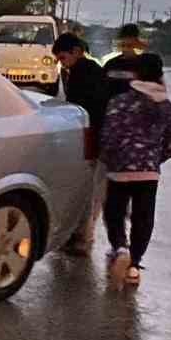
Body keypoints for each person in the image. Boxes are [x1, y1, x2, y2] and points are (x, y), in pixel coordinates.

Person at [98, 52, 171, 286]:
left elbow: (108, 134)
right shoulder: (166, 106)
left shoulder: (121, 101)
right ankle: (134, 265)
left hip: (119, 168)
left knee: (114, 211)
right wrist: (155, 159)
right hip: (148, 172)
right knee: (144, 217)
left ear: (135, 74)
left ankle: (120, 248)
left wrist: (109, 158)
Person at [53, 33, 110, 254]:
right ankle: (80, 235)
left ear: (76, 51)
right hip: (93, 137)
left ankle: (82, 238)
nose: (61, 63)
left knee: (86, 190)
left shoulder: (84, 73)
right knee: (87, 189)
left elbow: (81, 110)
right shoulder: (87, 70)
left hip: (91, 138)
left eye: (63, 58)